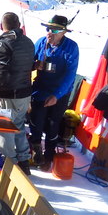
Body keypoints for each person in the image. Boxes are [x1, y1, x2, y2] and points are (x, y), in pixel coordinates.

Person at [0, 12, 35, 175]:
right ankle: (24, 161)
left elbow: (1, 71)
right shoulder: (28, 42)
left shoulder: (4, 44)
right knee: (18, 126)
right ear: (18, 25)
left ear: (1, 26)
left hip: (8, 93)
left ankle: (9, 166)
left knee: (3, 130)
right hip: (24, 93)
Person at [30, 15, 79, 171]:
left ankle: (49, 156)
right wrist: (35, 65)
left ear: (63, 32)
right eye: (48, 28)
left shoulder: (71, 47)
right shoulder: (40, 43)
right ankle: (36, 150)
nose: (49, 32)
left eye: (55, 30)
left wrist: (56, 96)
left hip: (60, 92)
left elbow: (70, 75)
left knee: (53, 124)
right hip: (40, 88)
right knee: (36, 121)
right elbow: (28, 63)